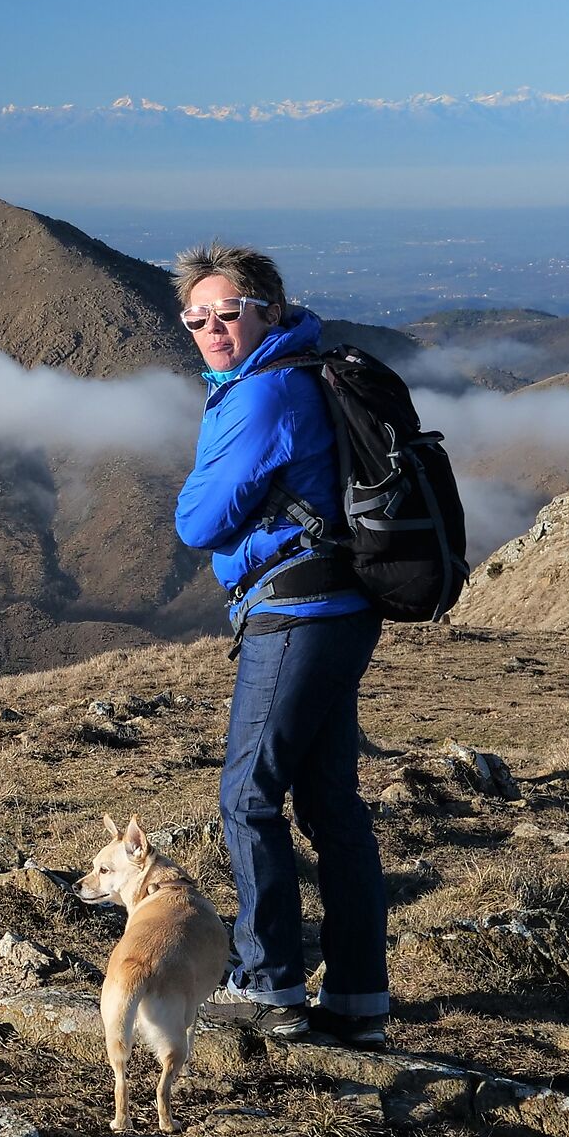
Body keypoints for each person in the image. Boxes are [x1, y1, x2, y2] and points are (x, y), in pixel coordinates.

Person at [171, 243, 389, 1048]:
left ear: (267, 309)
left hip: (295, 611)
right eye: (197, 317)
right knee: (330, 804)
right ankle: (360, 999)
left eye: (228, 313)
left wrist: (205, 489)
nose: (213, 329)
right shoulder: (292, 372)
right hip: (336, 607)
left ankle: (269, 985)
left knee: (248, 797)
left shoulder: (263, 396)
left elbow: (196, 519)